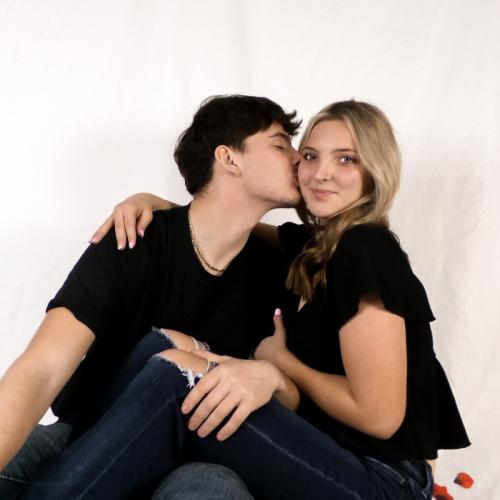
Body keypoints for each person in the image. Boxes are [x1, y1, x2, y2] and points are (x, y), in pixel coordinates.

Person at [21, 100, 470, 499]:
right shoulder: (316, 250)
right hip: (329, 457)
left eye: (346, 159)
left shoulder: (365, 248)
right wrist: (152, 202)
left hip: (382, 481)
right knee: (163, 345)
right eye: (310, 155)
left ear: (376, 169)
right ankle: (75, 455)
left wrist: (280, 364)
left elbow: (380, 417)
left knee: (180, 376)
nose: (319, 172)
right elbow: (229, 221)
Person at [0, 94, 304, 499]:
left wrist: (272, 378)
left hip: (196, 462)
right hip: (87, 437)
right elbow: (42, 368)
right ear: (229, 158)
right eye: (281, 145)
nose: (300, 159)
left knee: (216, 490)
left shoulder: (283, 271)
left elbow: (293, 403)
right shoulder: (134, 239)